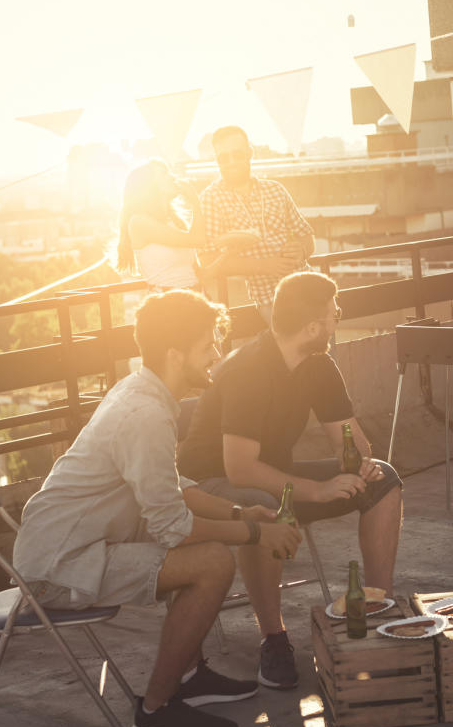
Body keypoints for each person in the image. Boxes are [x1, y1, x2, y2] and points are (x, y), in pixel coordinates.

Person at [12, 289, 302, 727]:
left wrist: (239, 511)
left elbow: (173, 488)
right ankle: (155, 710)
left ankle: (190, 677)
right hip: (60, 567)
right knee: (212, 561)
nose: (216, 355)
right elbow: (174, 528)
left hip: (74, 547)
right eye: (208, 346)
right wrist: (254, 533)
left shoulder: (144, 391)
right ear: (174, 353)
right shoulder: (145, 413)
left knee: (206, 550)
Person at [176, 271, 403, 690]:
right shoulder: (248, 369)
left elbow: (350, 439)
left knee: (384, 481)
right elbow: (240, 468)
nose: (338, 320)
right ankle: (273, 638)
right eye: (335, 315)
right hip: (211, 483)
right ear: (313, 327)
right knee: (264, 506)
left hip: (272, 476)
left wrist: (359, 463)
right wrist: (317, 489)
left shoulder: (318, 364)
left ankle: (377, 608)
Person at [199, 126, 315, 316]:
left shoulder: (275, 189)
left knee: (324, 343)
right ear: (216, 160)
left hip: (308, 283)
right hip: (270, 297)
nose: (231, 162)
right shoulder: (210, 199)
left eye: (237, 154)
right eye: (223, 157)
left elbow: (307, 237)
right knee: (295, 345)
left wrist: (301, 250)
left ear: (250, 153)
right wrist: (264, 265)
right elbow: (208, 260)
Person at [114, 159, 255, 292]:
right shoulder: (139, 222)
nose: (173, 177)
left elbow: (201, 275)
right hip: (169, 305)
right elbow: (198, 240)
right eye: (164, 174)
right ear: (148, 185)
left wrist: (227, 254)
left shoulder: (175, 222)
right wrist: (194, 201)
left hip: (195, 299)